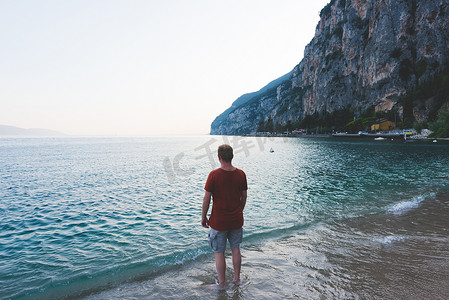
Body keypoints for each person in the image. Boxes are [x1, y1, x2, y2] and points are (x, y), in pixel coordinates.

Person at [201, 144, 248, 288]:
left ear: (219, 157)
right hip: (236, 220)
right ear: (232, 156)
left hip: (219, 222)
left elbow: (206, 199)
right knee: (235, 249)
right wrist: (239, 210)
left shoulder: (214, 175)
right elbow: (244, 196)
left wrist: (203, 217)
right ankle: (236, 279)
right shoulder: (241, 174)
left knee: (219, 252)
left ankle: (222, 283)